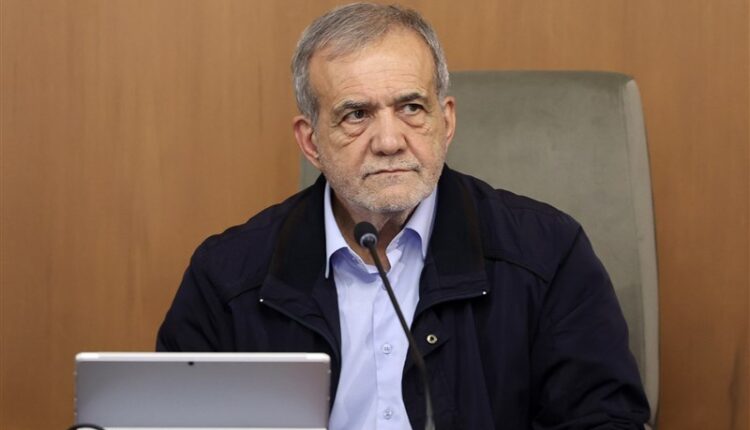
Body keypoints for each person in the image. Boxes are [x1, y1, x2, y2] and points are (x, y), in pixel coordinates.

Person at [157, 3, 650, 429]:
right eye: (356, 114)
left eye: (411, 107)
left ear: (446, 121)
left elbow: (604, 420)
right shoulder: (227, 278)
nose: (390, 141)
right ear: (311, 141)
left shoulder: (547, 254)